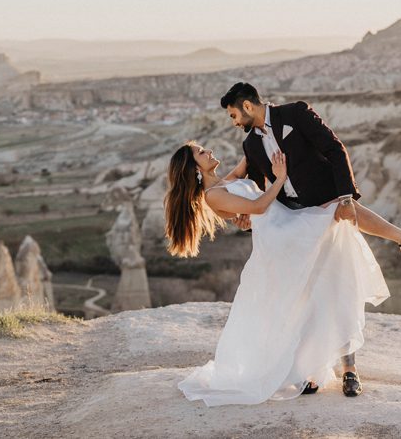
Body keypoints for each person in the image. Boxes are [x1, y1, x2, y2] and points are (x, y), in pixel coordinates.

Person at [220, 81, 401, 394]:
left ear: (246, 106)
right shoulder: (251, 146)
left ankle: (350, 370)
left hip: (326, 207)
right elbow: (260, 189)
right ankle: (312, 370)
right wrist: (248, 215)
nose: (234, 122)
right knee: (307, 295)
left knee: (339, 288)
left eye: (233, 115)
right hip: (294, 220)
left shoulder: (295, 114)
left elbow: (334, 149)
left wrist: (345, 195)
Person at [164, 141, 388, 406]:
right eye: (201, 153)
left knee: (330, 283)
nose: (209, 151)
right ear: (194, 169)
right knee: (319, 280)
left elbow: (248, 161)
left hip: (289, 228)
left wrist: (262, 134)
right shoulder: (212, 195)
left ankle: (338, 367)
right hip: (284, 238)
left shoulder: (224, 181)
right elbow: (258, 207)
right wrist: (280, 178)